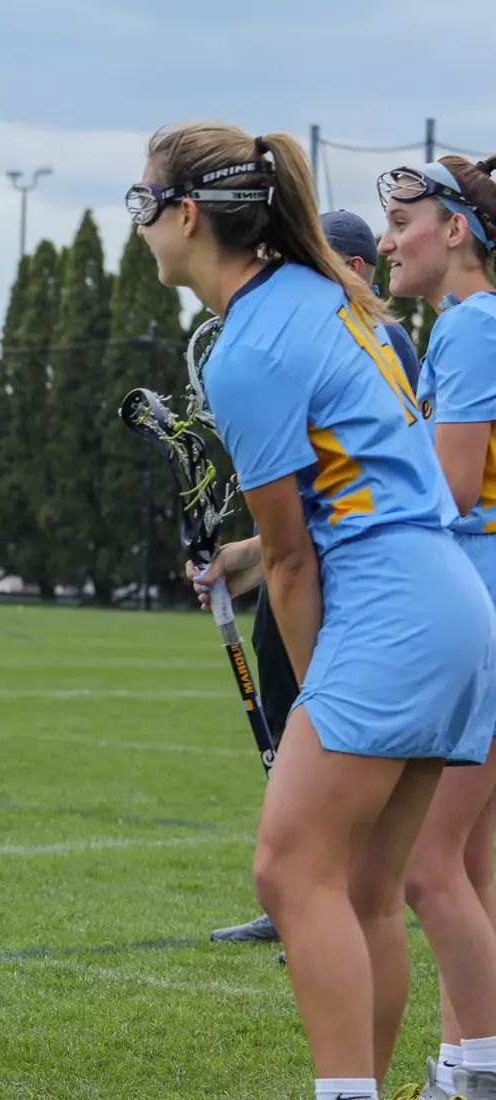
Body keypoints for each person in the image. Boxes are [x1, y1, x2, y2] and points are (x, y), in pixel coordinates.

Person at [137, 122, 496, 1100]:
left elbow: (291, 558)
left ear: (187, 214)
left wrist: (308, 692)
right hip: (453, 600)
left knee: (290, 872)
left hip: (393, 605)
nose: (139, 227)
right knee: (371, 887)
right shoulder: (326, 293)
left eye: (143, 204)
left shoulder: (248, 343)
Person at [210, 210, 424, 949]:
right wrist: (244, 554)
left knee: (410, 854)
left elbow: (350, 514)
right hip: (342, 574)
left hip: (363, 586)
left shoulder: (372, 335)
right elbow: (309, 510)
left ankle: (331, 889)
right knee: (286, 710)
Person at [376, 153, 496, 1100]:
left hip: (479, 608)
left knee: (424, 867)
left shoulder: (473, 324)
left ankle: (481, 1072)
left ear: (455, 230)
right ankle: (461, 1068)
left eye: (402, 220)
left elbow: (451, 489)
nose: (386, 241)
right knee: (470, 866)